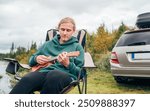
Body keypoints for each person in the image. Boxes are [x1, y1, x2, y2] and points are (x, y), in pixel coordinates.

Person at [10, 17, 84, 94]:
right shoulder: (47, 44)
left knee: (54, 75)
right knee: (27, 78)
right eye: (62, 29)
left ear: (73, 31)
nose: (65, 33)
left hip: (65, 76)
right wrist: (36, 59)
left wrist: (68, 64)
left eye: (68, 30)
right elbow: (31, 62)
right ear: (58, 29)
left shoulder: (77, 47)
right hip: (43, 73)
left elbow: (80, 73)